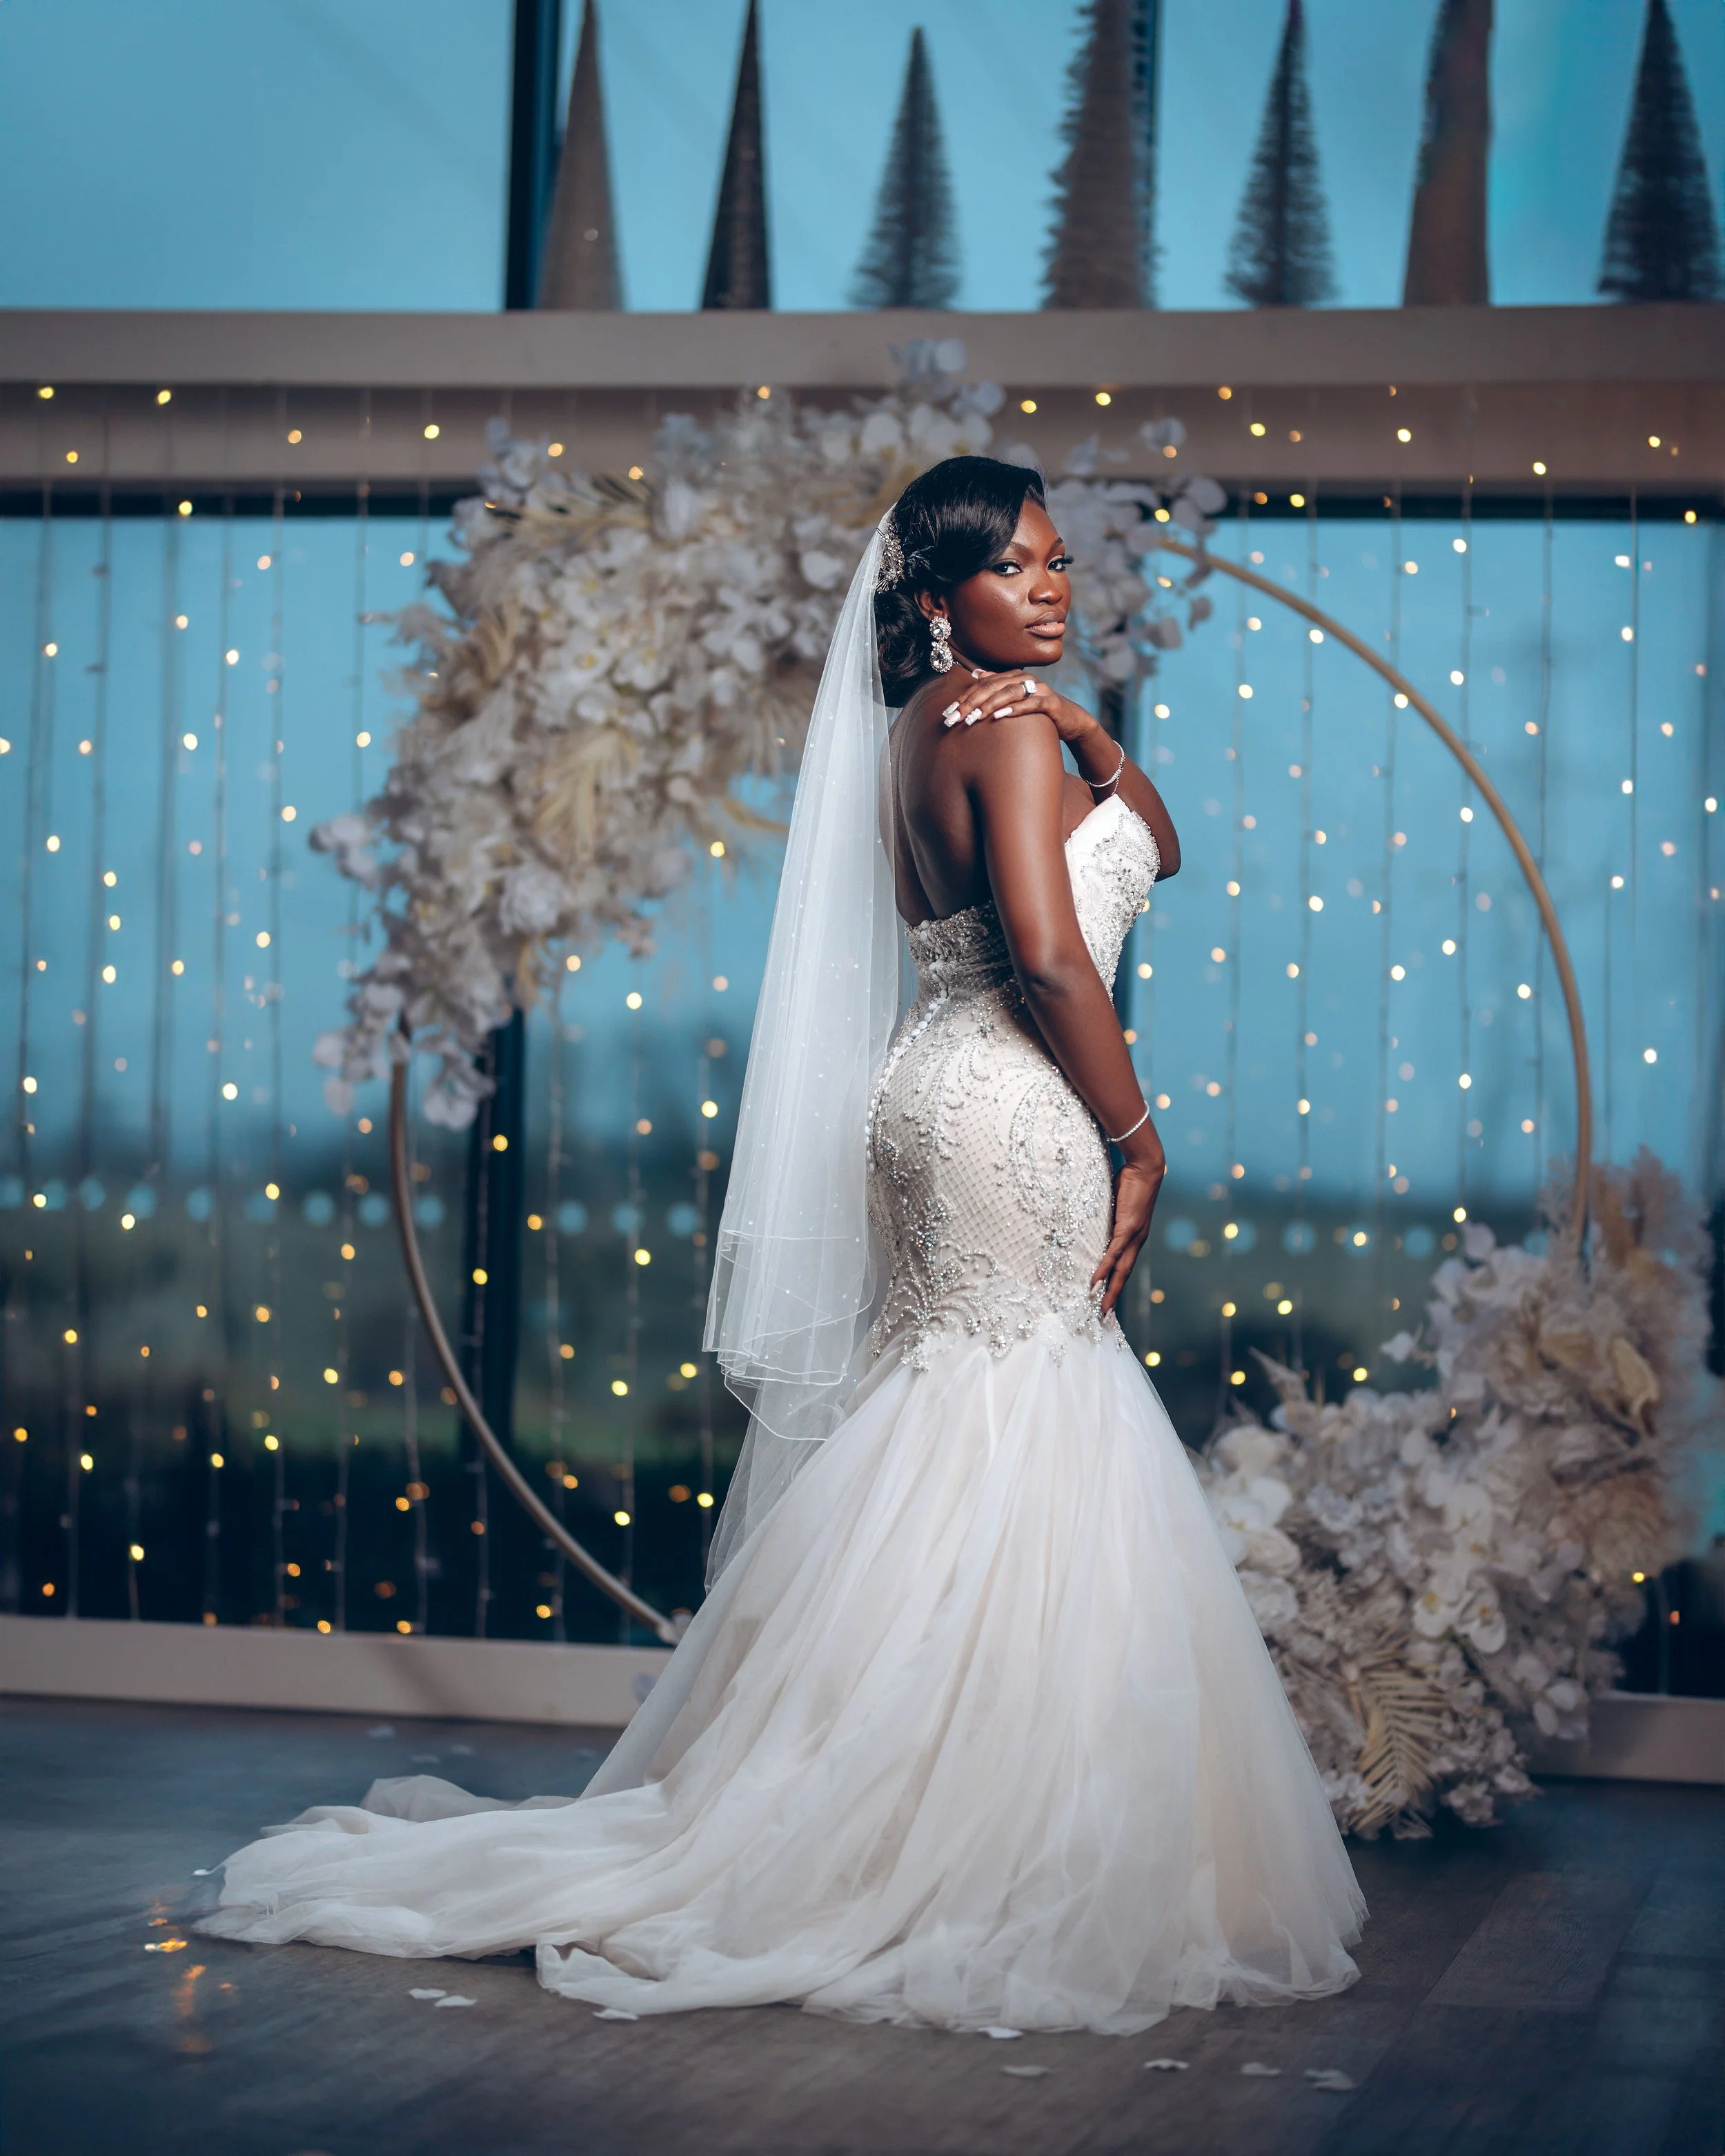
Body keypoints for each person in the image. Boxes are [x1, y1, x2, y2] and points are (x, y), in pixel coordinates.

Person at [198, 456, 1365, 2035]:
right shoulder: (1001, 734)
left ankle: (908, 1787)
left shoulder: (949, 730)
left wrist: (1095, 734)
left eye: (1051, 561)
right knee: (1009, 1408)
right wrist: (1136, 1136)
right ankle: (963, 1826)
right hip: (1009, 1102)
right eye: (1009, 567)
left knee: (969, 1419)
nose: (1046, 586)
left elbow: (1152, 844)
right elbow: (1042, 951)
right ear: (937, 596)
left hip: (941, 1094)